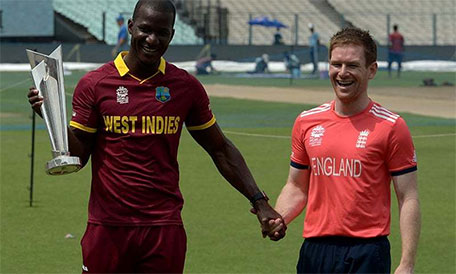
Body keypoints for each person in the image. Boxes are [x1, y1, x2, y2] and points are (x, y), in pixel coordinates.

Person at [27, 0, 286, 273]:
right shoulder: (95, 84)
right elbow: (78, 158)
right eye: (145, 29)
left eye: (162, 32)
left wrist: (260, 202)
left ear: (172, 35)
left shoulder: (185, 87)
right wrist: (50, 117)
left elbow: (220, 149)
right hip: (108, 227)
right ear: (130, 27)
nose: (152, 39)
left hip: (164, 228)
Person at [272, 27, 421, 273]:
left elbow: (408, 197)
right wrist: (280, 218)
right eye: (336, 64)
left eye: (351, 65)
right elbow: (296, 186)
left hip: (367, 252)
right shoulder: (306, 122)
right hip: (315, 250)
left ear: (371, 70)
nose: (342, 73)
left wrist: (407, 263)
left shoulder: (392, 126)